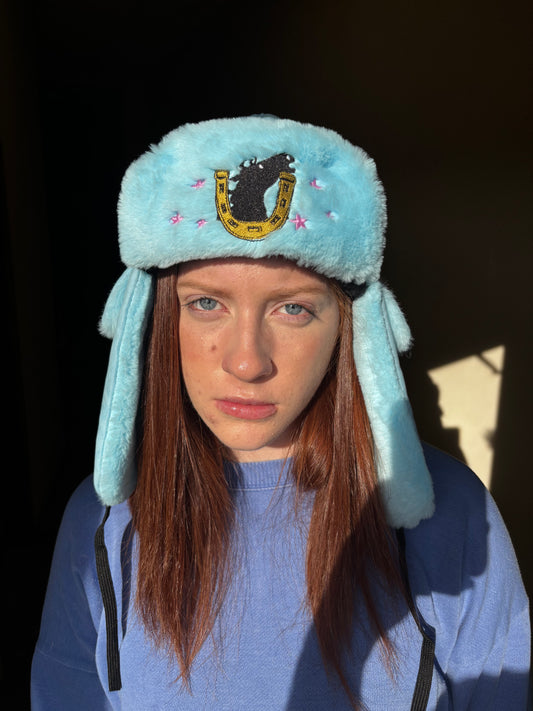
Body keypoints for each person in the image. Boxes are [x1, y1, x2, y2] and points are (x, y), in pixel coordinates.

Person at [31, 116, 530, 710]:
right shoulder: (101, 521)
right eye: (206, 303)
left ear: (349, 328)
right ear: (157, 320)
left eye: (292, 309)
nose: (247, 362)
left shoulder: (451, 514)